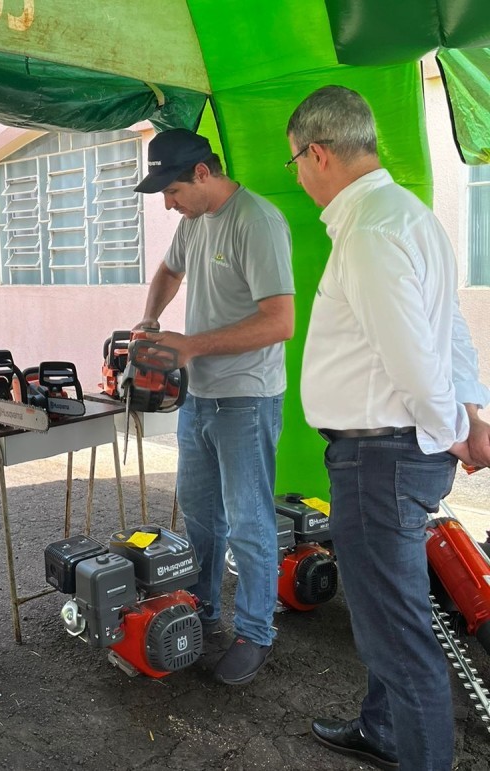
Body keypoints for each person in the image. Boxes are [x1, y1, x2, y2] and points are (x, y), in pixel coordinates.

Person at [286, 85, 490, 771]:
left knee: (397, 637)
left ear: (317, 153)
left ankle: (420, 751)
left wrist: (451, 426)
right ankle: (384, 730)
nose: (299, 175)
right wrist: (472, 411)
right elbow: (449, 327)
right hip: (397, 450)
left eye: (295, 163)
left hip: (384, 457)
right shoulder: (405, 215)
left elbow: (412, 350)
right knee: (385, 614)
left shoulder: (373, 230)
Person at [133, 129, 295, 686]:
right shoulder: (194, 221)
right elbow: (169, 272)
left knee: (250, 520)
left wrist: (191, 345)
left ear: (203, 173)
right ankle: (203, 611)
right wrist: (150, 320)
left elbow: (281, 321)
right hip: (198, 396)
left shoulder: (258, 222)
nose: (168, 204)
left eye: (173, 191)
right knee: (200, 512)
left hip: (246, 398)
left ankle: (256, 631)